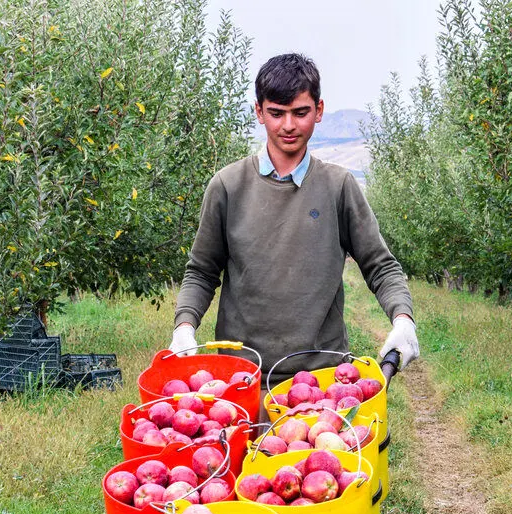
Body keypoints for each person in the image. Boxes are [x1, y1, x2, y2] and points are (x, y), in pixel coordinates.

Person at [170, 53, 418, 386]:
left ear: (318, 110)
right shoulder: (228, 186)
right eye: (276, 113)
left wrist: (403, 320)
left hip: (322, 382)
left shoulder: (338, 186)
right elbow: (201, 271)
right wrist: (185, 326)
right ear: (259, 112)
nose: (288, 125)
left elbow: (380, 266)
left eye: (300, 113)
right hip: (240, 380)